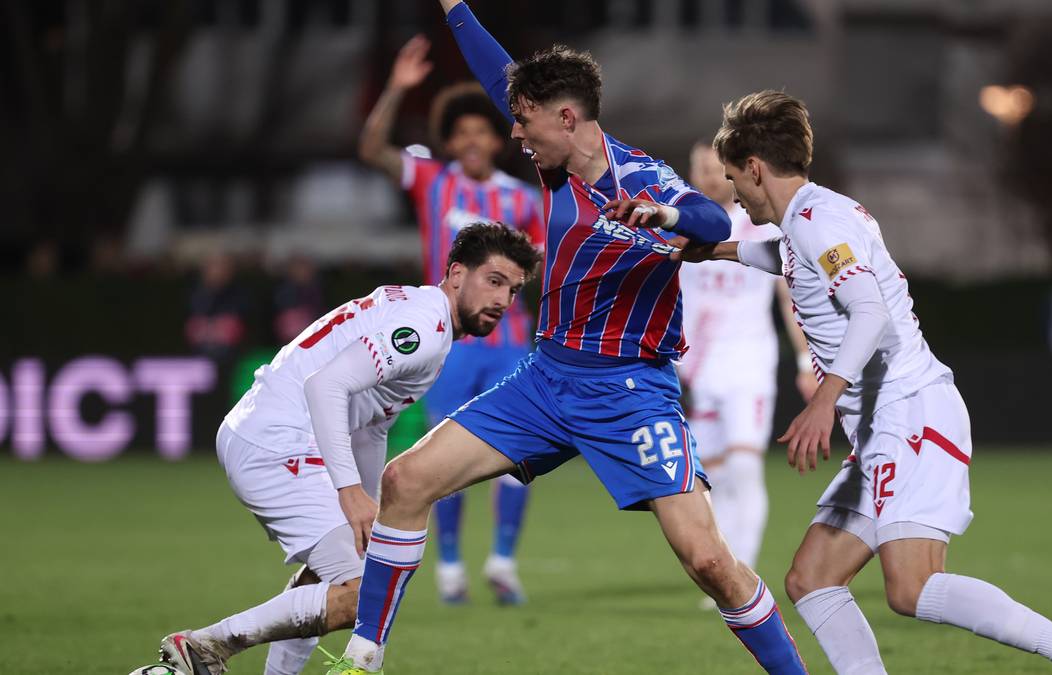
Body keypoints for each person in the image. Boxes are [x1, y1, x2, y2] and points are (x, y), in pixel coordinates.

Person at [321, 3, 809, 674]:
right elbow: (503, 79)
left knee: (708, 560)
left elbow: (699, 215)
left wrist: (664, 213)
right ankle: (362, 659)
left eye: (524, 121)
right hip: (545, 380)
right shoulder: (555, 169)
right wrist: (456, 8)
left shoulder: (640, 177)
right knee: (405, 481)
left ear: (566, 118)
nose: (515, 132)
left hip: (630, 392)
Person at [675, 89, 1052, 675]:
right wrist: (714, 250)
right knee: (810, 579)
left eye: (735, 177)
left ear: (756, 169)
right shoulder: (811, 217)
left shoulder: (817, 224)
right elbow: (788, 259)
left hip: (910, 413)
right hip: (884, 424)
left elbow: (870, 312)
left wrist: (824, 401)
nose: (732, 190)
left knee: (911, 588)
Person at [158, 223, 541, 675]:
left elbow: (371, 424)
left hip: (267, 431)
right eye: (494, 281)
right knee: (366, 591)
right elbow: (327, 387)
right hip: (277, 440)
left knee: (346, 565)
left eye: (513, 291)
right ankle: (205, 646)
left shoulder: (421, 315)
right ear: (457, 274)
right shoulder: (423, 327)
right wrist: (348, 491)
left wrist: (370, 507)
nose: (502, 300)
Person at [359, 34, 546, 606]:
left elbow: (540, 267)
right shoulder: (433, 181)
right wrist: (396, 88)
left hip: (511, 345)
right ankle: (448, 569)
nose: (470, 139)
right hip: (450, 347)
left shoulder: (524, 200)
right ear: (450, 140)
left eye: (480, 130)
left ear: (496, 139)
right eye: (460, 132)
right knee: (446, 458)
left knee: (517, 455)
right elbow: (372, 149)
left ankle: (504, 562)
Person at [678, 141, 818, 580]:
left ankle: (744, 572)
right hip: (699, 371)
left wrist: (804, 360)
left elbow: (789, 299)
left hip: (749, 366)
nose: (705, 176)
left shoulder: (759, 228)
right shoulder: (682, 230)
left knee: (744, 465)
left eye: (713, 168)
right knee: (711, 480)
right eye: (697, 168)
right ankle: (725, 567)